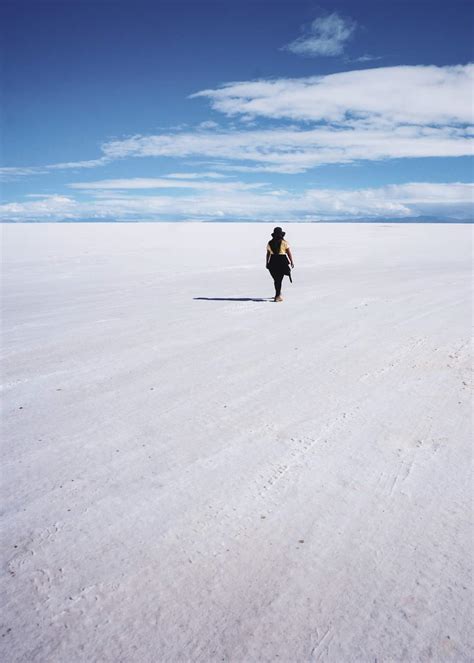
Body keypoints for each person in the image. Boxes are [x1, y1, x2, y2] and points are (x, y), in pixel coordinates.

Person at [266, 227, 294, 302]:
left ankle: (278, 294)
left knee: (276, 279)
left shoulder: (270, 242)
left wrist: (267, 263)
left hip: (273, 261)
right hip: (282, 261)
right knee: (279, 280)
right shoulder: (284, 242)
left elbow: (268, 254)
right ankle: (277, 296)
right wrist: (291, 261)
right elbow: (288, 253)